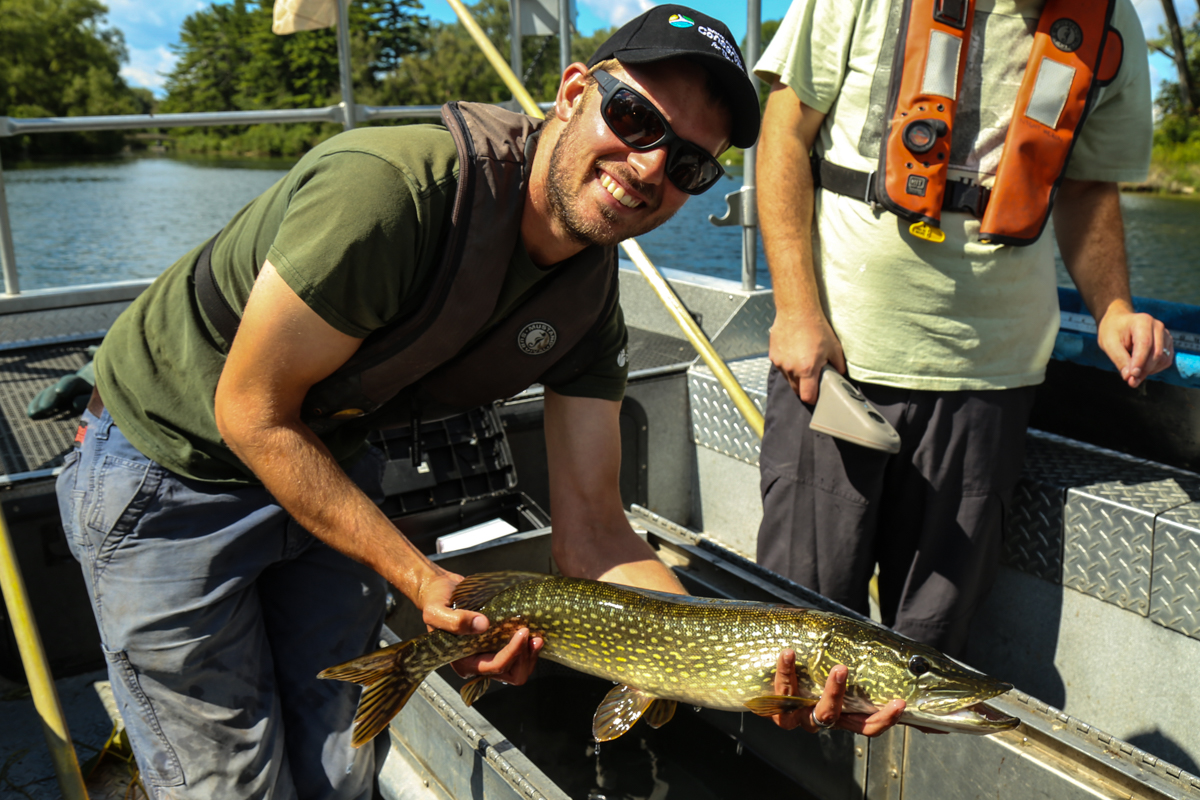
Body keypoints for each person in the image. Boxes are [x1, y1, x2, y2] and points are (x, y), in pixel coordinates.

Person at [55, 6, 901, 799]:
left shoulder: (589, 304)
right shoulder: (390, 191)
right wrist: (422, 578)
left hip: (331, 462)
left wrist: (726, 658)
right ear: (574, 91)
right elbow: (252, 413)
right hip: (172, 464)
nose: (649, 167)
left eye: (687, 164)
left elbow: (596, 532)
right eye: (636, 120)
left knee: (336, 746)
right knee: (224, 775)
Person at [753, 0, 1174, 660]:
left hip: (989, 385)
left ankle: (899, 761)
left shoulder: (1109, 22)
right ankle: (782, 762)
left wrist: (1113, 308)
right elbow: (783, 131)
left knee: (927, 648)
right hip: (835, 366)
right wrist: (797, 310)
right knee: (797, 629)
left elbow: (1088, 185)